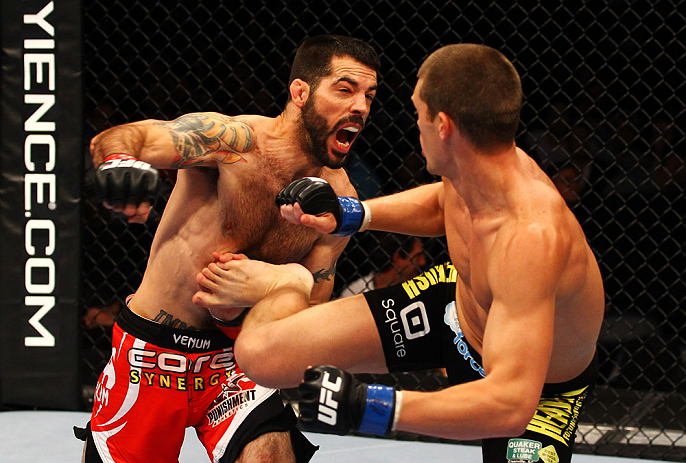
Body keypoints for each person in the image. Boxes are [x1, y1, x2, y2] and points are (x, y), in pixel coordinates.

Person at [195, 44, 606, 463]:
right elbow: (442, 203)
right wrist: (351, 213)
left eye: (419, 114)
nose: (416, 126)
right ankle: (286, 283)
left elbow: (509, 405)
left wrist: (369, 405)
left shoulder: (530, 240)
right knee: (260, 354)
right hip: (455, 310)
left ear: (443, 125)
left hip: (535, 391)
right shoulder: (482, 161)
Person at [77, 35, 380, 463]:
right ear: (300, 93)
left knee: (272, 455)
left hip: (235, 362)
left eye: (369, 95)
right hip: (152, 356)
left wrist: (267, 289)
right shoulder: (233, 142)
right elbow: (136, 137)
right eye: (345, 89)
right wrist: (119, 166)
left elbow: (313, 304)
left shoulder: (338, 204)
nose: (361, 107)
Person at [338, 234, 427, 297]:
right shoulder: (355, 292)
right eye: (417, 256)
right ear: (398, 258)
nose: (423, 262)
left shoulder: (422, 290)